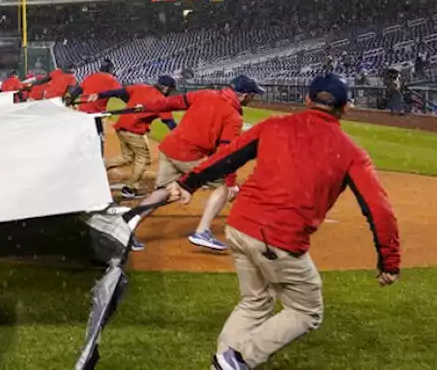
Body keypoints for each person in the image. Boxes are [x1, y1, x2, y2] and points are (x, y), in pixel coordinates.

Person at [162, 74, 401, 370]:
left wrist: (188, 183)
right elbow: (379, 209)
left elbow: (227, 156)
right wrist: (389, 261)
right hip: (279, 238)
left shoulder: (273, 125)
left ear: (307, 100)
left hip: (239, 226)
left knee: (255, 301)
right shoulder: (351, 152)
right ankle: (238, 359)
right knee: (306, 311)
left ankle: (224, 363)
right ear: (346, 107)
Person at [120, 75, 264, 252]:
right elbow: (227, 153)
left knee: (164, 192)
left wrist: (146, 107)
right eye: (252, 95)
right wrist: (230, 182)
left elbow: (172, 102)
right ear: (244, 95)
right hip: (190, 155)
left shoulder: (205, 94)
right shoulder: (234, 117)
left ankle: (125, 226)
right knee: (225, 188)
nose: (253, 98)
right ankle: (202, 232)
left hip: (169, 147)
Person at [82, 75, 179, 211]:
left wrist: (99, 95)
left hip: (121, 128)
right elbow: (170, 123)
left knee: (127, 157)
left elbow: (117, 92)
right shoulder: (161, 100)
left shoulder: (141, 87)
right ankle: (130, 188)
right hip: (134, 131)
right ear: (166, 88)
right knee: (143, 160)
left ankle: (99, 167)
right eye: (171, 89)